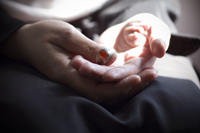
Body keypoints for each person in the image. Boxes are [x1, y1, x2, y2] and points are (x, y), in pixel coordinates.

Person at [0, 0, 200, 132]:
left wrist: (143, 20)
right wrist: (15, 36)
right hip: (13, 34)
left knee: (181, 103)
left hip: (121, 16)